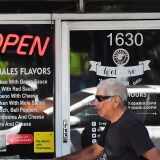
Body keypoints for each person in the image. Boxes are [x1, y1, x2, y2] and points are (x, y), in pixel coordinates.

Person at [53, 78, 160, 160]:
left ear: (116, 100)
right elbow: (95, 151)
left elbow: (155, 157)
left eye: (100, 99)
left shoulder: (131, 125)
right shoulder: (112, 122)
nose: (95, 103)